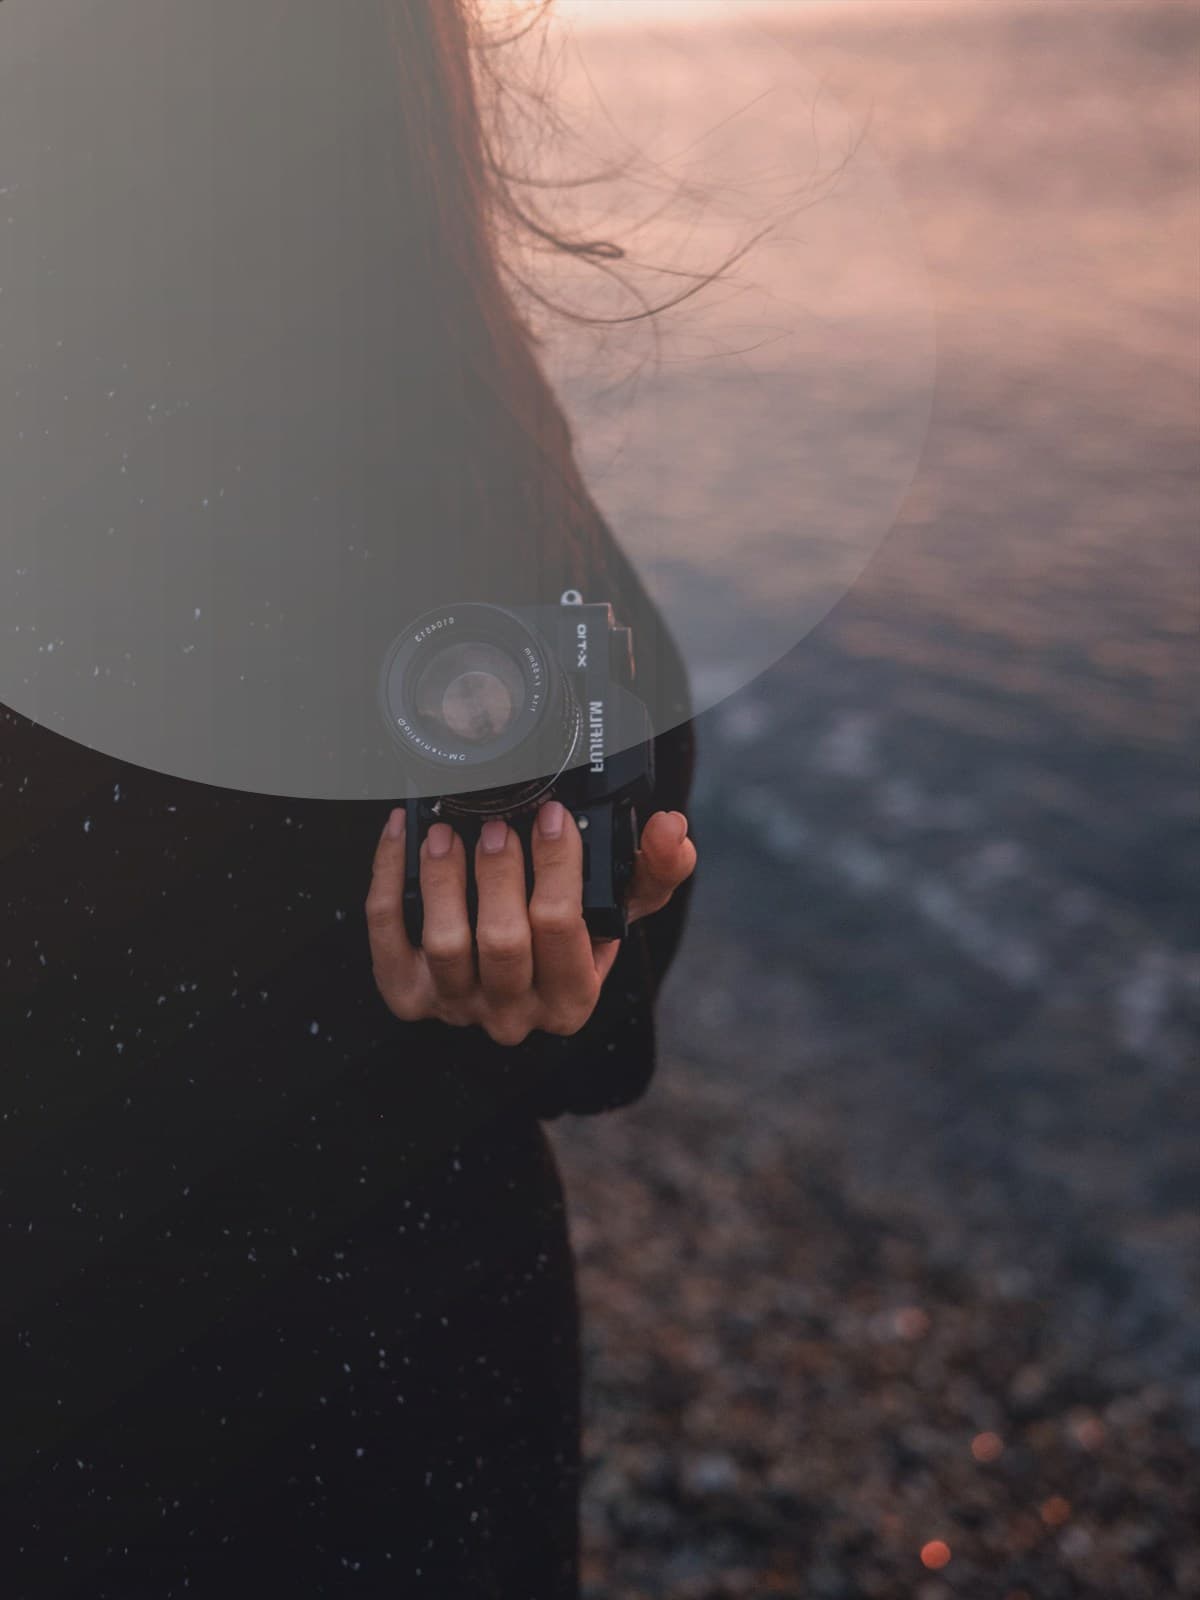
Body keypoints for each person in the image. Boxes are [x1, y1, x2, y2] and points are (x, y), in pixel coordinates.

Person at [1, 1, 695, 1595]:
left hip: (350, 1365)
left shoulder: (428, 375)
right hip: (373, 1361)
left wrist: (565, 962)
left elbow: (624, 870)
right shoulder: (422, 357)